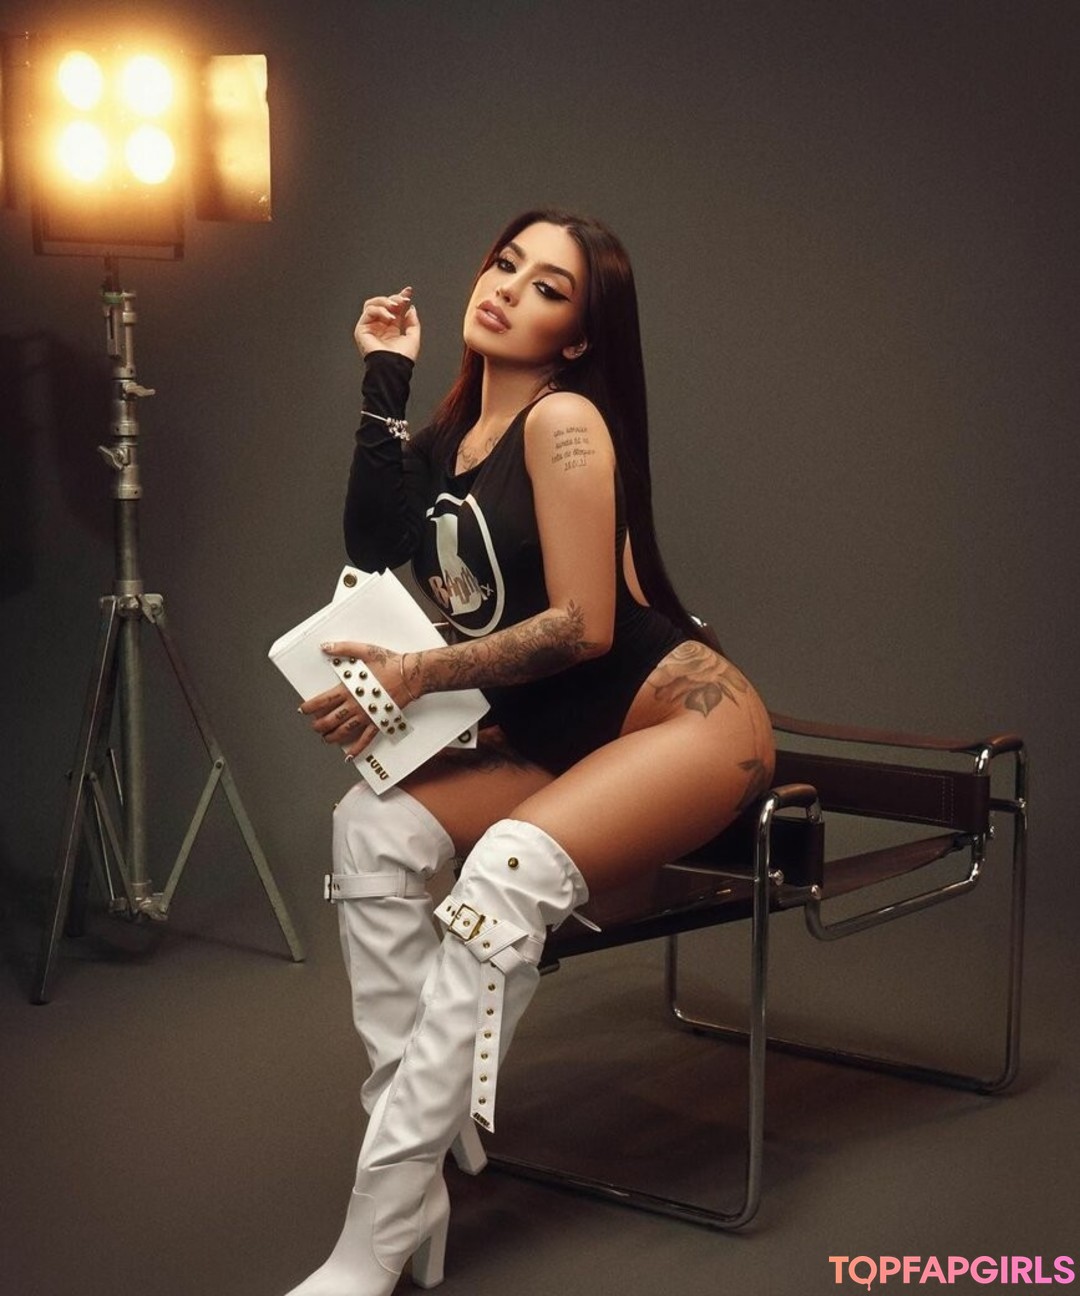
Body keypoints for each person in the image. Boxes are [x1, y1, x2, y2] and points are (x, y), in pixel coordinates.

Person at [289, 209, 774, 1295]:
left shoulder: (565, 422)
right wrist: (385, 374)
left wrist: (419, 675)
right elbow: (371, 544)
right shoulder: (447, 443)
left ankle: (373, 1235)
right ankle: (420, 1165)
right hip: (557, 742)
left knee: (503, 876)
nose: (508, 288)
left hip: (683, 725)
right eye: (506, 263)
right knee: (371, 828)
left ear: (578, 335)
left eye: (548, 286)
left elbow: (585, 628)